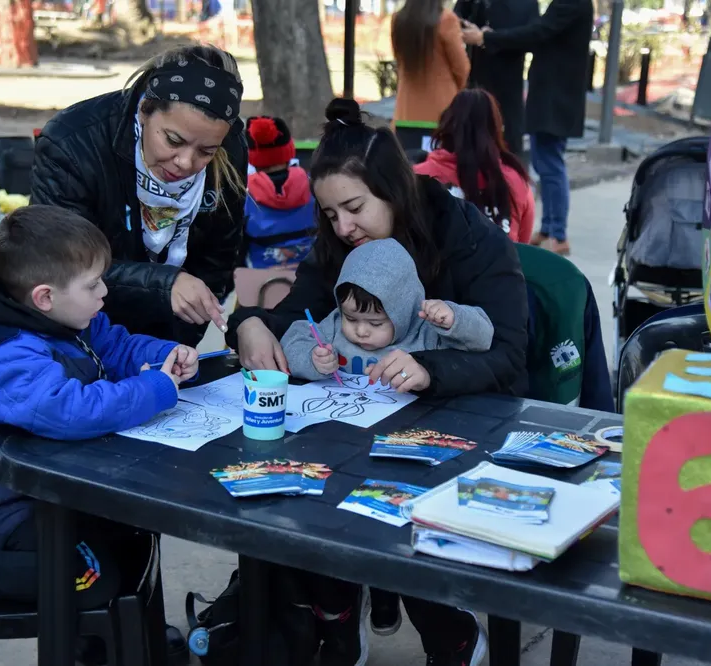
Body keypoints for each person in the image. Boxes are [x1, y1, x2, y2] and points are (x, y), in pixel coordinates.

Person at [225, 98, 529, 666]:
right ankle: (335, 615)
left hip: (460, 413)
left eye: (355, 207)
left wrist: (429, 370)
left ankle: (446, 628)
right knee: (295, 487)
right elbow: (299, 312)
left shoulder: (467, 236)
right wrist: (248, 326)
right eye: (331, 215)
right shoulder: (343, 243)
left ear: (394, 188)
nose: (343, 227)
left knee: (399, 507)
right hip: (363, 412)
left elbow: (509, 352)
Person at [0, 206, 197, 664]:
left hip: (58, 487)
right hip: (9, 502)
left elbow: (115, 344)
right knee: (92, 575)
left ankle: (111, 643)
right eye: (93, 285)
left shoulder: (61, 317)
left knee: (133, 534)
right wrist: (153, 389)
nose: (105, 292)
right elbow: (71, 410)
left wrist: (168, 354)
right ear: (45, 297)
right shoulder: (6, 358)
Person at [30, 44, 249, 347]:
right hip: (75, 334)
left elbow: (216, 260)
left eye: (205, 151)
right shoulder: (73, 142)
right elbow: (61, 261)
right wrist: (164, 285)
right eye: (173, 140)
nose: (186, 162)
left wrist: (172, 348)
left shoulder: (232, 148)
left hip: (164, 337)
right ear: (145, 110)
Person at [462, 0, 593, 256]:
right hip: (552, 96)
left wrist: (489, 38)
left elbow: (538, 32)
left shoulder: (571, 3)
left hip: (556, 97)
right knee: (544, 163)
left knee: (551, 164)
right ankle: (548, 228)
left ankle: (559, 234)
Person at [281, 238, 493, 380]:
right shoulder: (335, 326)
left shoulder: (424, 333)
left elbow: (483, 339)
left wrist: (455, 319)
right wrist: (313, 359)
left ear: (403, 310)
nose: (361, 331)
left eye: (375, 323)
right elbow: (294, 339)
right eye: (351, 318)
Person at [415, 89, 535, 244]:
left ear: (447, 123)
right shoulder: (517, 181)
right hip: (502, 267)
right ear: (496, 129)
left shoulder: (418, 176)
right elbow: (523, 248)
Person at [454, 0, 539, 158]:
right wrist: (465, 26)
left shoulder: (527, 4)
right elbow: (457, 15)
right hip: (475, 86)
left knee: (507, 155)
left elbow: (531, 38)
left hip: (507, 92)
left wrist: (488, 38)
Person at [243, 115, 317, 268]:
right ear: (288, 153)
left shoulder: (243, 195)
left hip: (259, 284)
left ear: (253, 159)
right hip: (313, 278)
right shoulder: (317, 187)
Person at [391, 0, 472, 124]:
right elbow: (462, 68)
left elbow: (398, 59)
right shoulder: (446, 19)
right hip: (442, 108)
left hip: (405, 108)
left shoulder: (398, 19)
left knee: (407, 142)